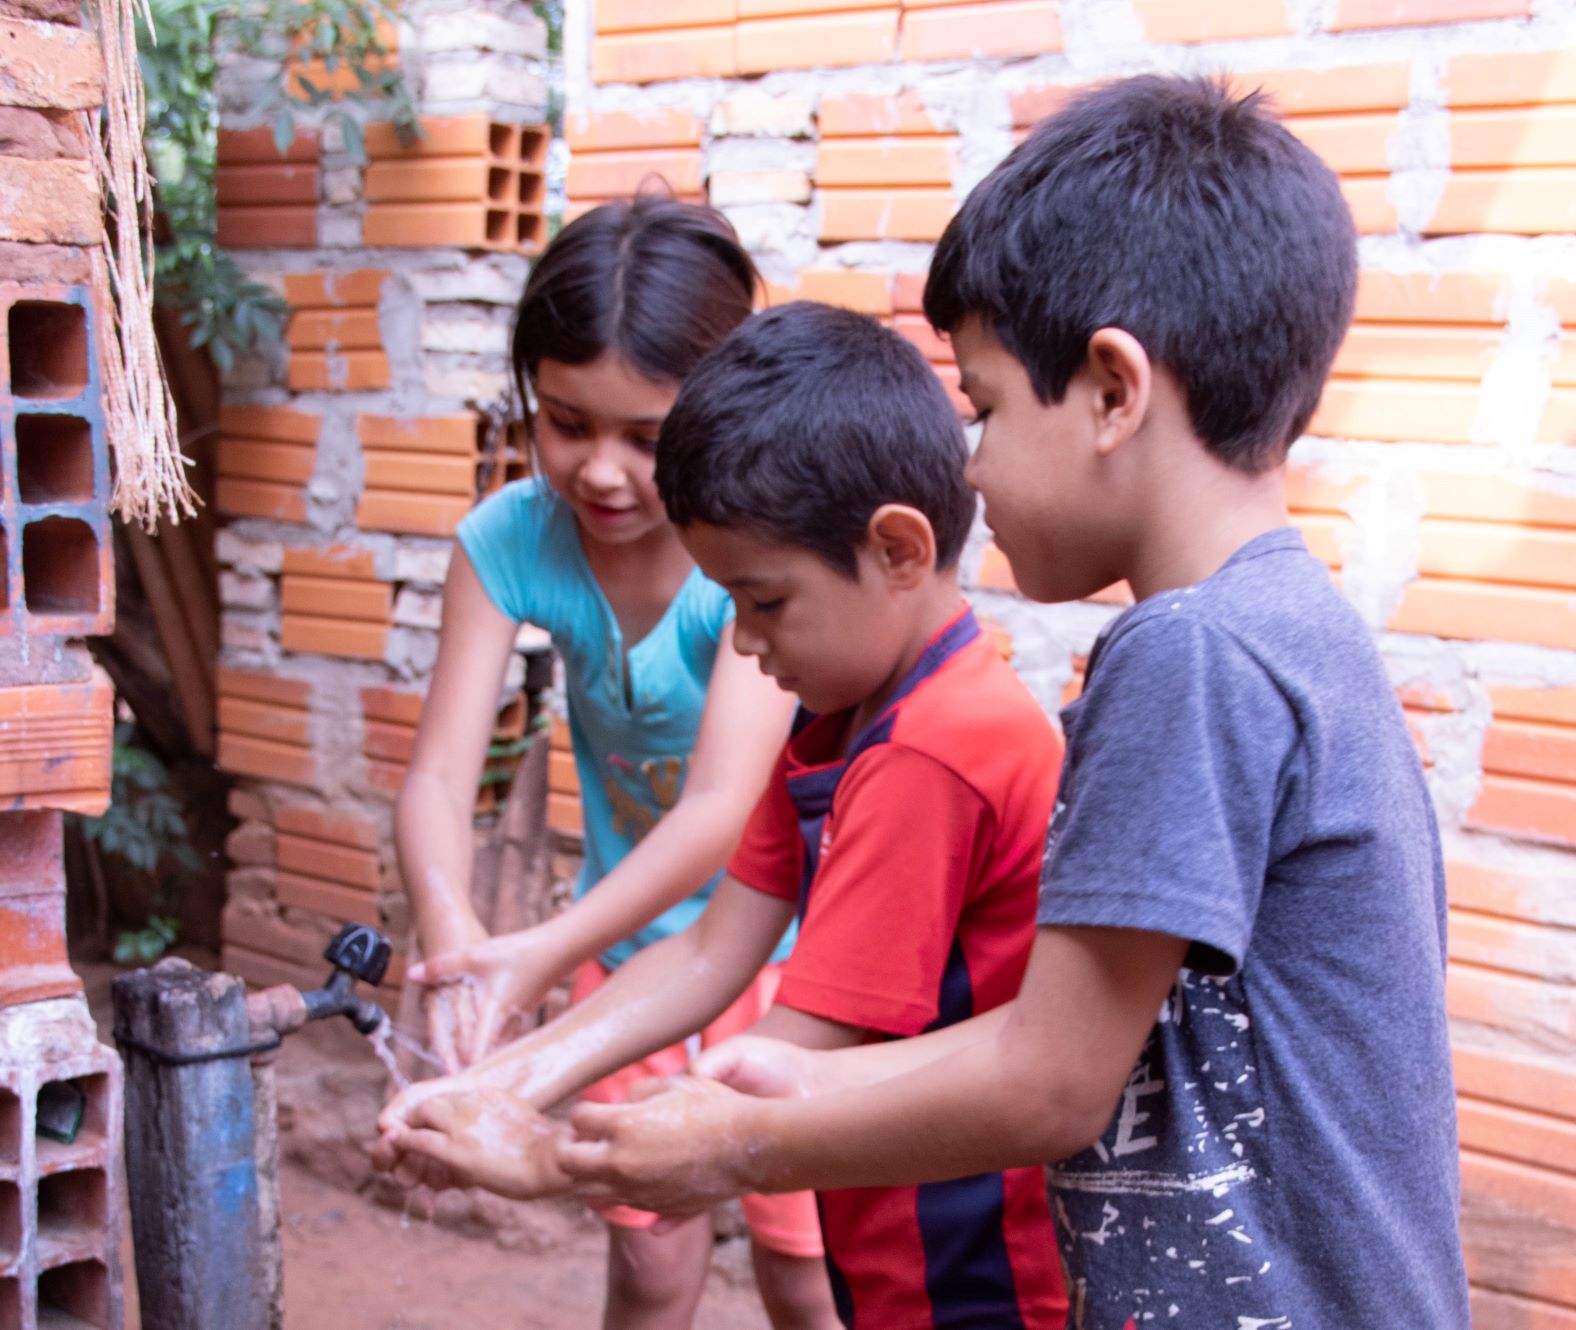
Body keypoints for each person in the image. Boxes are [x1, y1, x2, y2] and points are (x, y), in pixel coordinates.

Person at [547, 77, 1472, 1329]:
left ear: (1110, 390)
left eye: (981, 406)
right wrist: (785, 1088)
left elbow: (1049, 1083)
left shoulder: (1190, 654)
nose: (970, 462)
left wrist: (737, 1142)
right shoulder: (1289, 629)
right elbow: (1066, 1036)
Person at [376, 301, 1071, 1329]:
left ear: (897, 551)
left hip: (973, 1267)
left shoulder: (934, 750)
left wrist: (541, 1153)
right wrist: (500, 1081)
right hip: (896, 1234)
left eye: (763, 601)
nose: (742, 643)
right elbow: (710, 946)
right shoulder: (846, 721)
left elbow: (768, 1081)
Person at [392, 195, 836, 1330]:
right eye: (566, 421)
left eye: (646, 435)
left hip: (795, 958)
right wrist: (458, 948)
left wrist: (533, 956)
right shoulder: (505, 541)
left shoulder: (743, 553)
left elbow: (718, 814)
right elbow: (442, 777)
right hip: (630, 951)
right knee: (646, 1255)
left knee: (805, 1265)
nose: (600, 471)